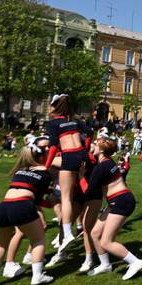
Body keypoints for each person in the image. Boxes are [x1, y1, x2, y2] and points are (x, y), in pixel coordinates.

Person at [0, 139, 54, 285]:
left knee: (0, 245)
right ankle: (37, 276)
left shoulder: (19, 171)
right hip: (22, 204)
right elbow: (38, 200)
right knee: (38, 239)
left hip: (4, 206)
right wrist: (54, 201)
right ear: (41, 157)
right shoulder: (45, 173)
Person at [84, 136, 142, 280]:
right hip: (117, 200)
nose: (92, 147)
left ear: (101, 150)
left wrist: (81, 176)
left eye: (95, 145)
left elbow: (88, 192)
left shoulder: (101, 167)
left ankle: (135, 262)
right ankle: (105, 264)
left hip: (121, 201)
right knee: (95, 233)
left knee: (106, 241)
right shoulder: (107, 162)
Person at [44, 94, 90, 251]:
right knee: (80, 187)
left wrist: (47, 165)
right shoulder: (75, 120)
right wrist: (87, 149)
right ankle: (79, 224)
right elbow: (90, 132)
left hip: (69, 156)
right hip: (81, 154)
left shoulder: (53, 123)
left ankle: (67, 232)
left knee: (66, 198)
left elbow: (52, 147)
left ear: (56, 107)